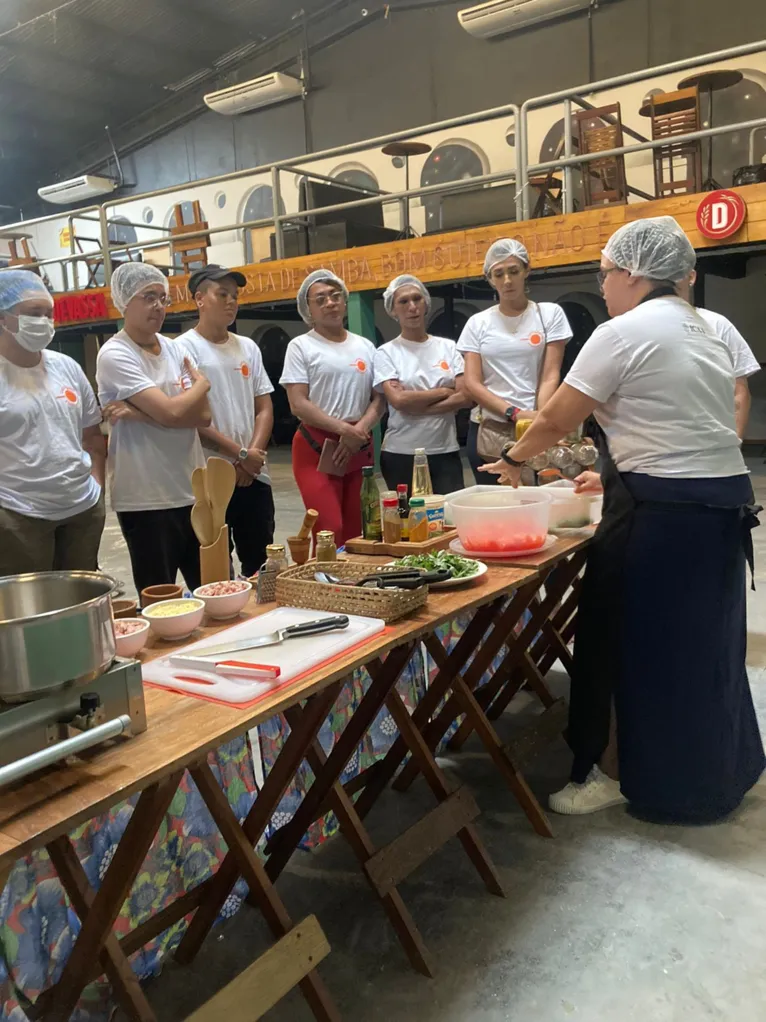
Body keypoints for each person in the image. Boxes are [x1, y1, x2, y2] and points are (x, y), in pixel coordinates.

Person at [481, 216, 764, 823]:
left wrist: (510, 460)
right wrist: (607, 479)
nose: (602, 285)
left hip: (663, 515)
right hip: (721, 506)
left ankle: (614, 775)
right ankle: (719, 771)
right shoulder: (705, 327)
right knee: (704, 646)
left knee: (620, 643)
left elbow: (557, 419)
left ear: (632, 273)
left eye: (605, 273)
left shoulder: (623, 331)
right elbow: (674, 424)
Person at [96, 263, 211, 595]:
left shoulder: (176, 348)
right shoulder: (115, 354)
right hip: (146, 498)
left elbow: (203, 417)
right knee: (162, 600)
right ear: (124, 302)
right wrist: (201, 385)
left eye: (163, 298)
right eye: (148, 297)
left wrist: (144, 414)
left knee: (214, 588)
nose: (158, 306)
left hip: (192, 490)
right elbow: (174, 412)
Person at [0, 269, 106, 575]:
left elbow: (92, 437)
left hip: (82, 510)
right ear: (3, 318)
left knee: (79, 604)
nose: (45, 321)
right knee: (31, 611)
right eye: (34, 313)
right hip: (19, 516)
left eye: (49, 313)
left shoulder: (66, 368)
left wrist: (96, 487)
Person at [178, 265, 275, 576]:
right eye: (222, 294)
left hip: (254, 474)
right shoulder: (182, 349)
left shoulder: (247, 347)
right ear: (199, 299)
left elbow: (264, 407)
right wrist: (239, 455)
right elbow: (192, 418)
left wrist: (251, 458)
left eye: (235, 296)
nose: (231, 301)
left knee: (261, 566)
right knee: (215, 569)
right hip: (207, 476)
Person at [280, 269, 384, 546]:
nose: (330, 302)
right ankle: (324, 586)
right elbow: (298, 402)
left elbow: (379, 398)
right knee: (329, 529)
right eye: (321, 299)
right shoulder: (301, 347)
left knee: (356, 531)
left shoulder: (365, 346)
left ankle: (350, 588)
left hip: (358, 444)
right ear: (308, 309)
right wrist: (342, 430)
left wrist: (359, 429)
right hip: (316, 447)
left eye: (335, 296)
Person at [459, 239, 572, 484]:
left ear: (526, 271)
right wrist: (515, 413)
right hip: (489, 429)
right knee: (496, 509)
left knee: (540, 503)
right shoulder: (477, 324)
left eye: (513, 271)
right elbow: (472, 383)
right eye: (499, 274)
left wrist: (540, 418)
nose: (507, 280)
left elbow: (550, 374)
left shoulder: (549, 314)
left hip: (536, 426)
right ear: (490, 279)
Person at [374, 275, 470, 494]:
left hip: (444, 451)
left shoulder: (448, 348)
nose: (412, 307)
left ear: (426, 303)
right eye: (404, 302)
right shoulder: (386, 353)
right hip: (401, 454)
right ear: (393, 310)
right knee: (408, 523)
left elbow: (465, 396)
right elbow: (398, 400)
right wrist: (445, 391)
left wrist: (417, 407)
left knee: (448, 520)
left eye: (417, 299)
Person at [677, 271, 759, 439]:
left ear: (690, 277)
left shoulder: (716, 324)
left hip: (710, 442)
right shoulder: (633, 328)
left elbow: (739, 393)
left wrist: (734, 445)